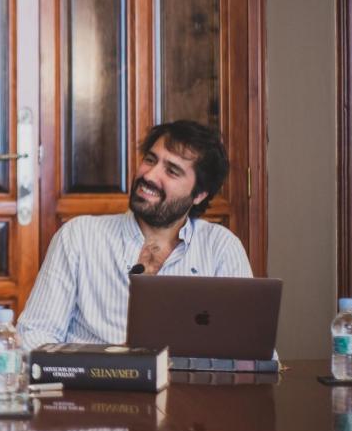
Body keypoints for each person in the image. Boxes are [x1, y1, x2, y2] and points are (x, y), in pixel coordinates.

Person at [18, 120, 252, 350]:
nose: (149, 175)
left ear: (199, 194)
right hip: (93, 385)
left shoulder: (221, 247)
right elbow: (34, 335)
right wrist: (103, 361)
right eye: (150, 160)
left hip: (187, 386)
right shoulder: (78, 237)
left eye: (171, 171)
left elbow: (250, 348)